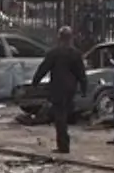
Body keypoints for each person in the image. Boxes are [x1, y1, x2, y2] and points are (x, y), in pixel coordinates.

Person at [30, 25, 87, 154]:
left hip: (58, 88)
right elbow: (81, 73)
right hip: (71, 88)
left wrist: (35, 82)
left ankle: (63, 146)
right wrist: (83, 88)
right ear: (71, 38)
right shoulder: (76, 54)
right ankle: (64, 142)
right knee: (64, 115)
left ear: (59, 38)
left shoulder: (54, 53)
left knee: (59, 117)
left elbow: (43, 68)